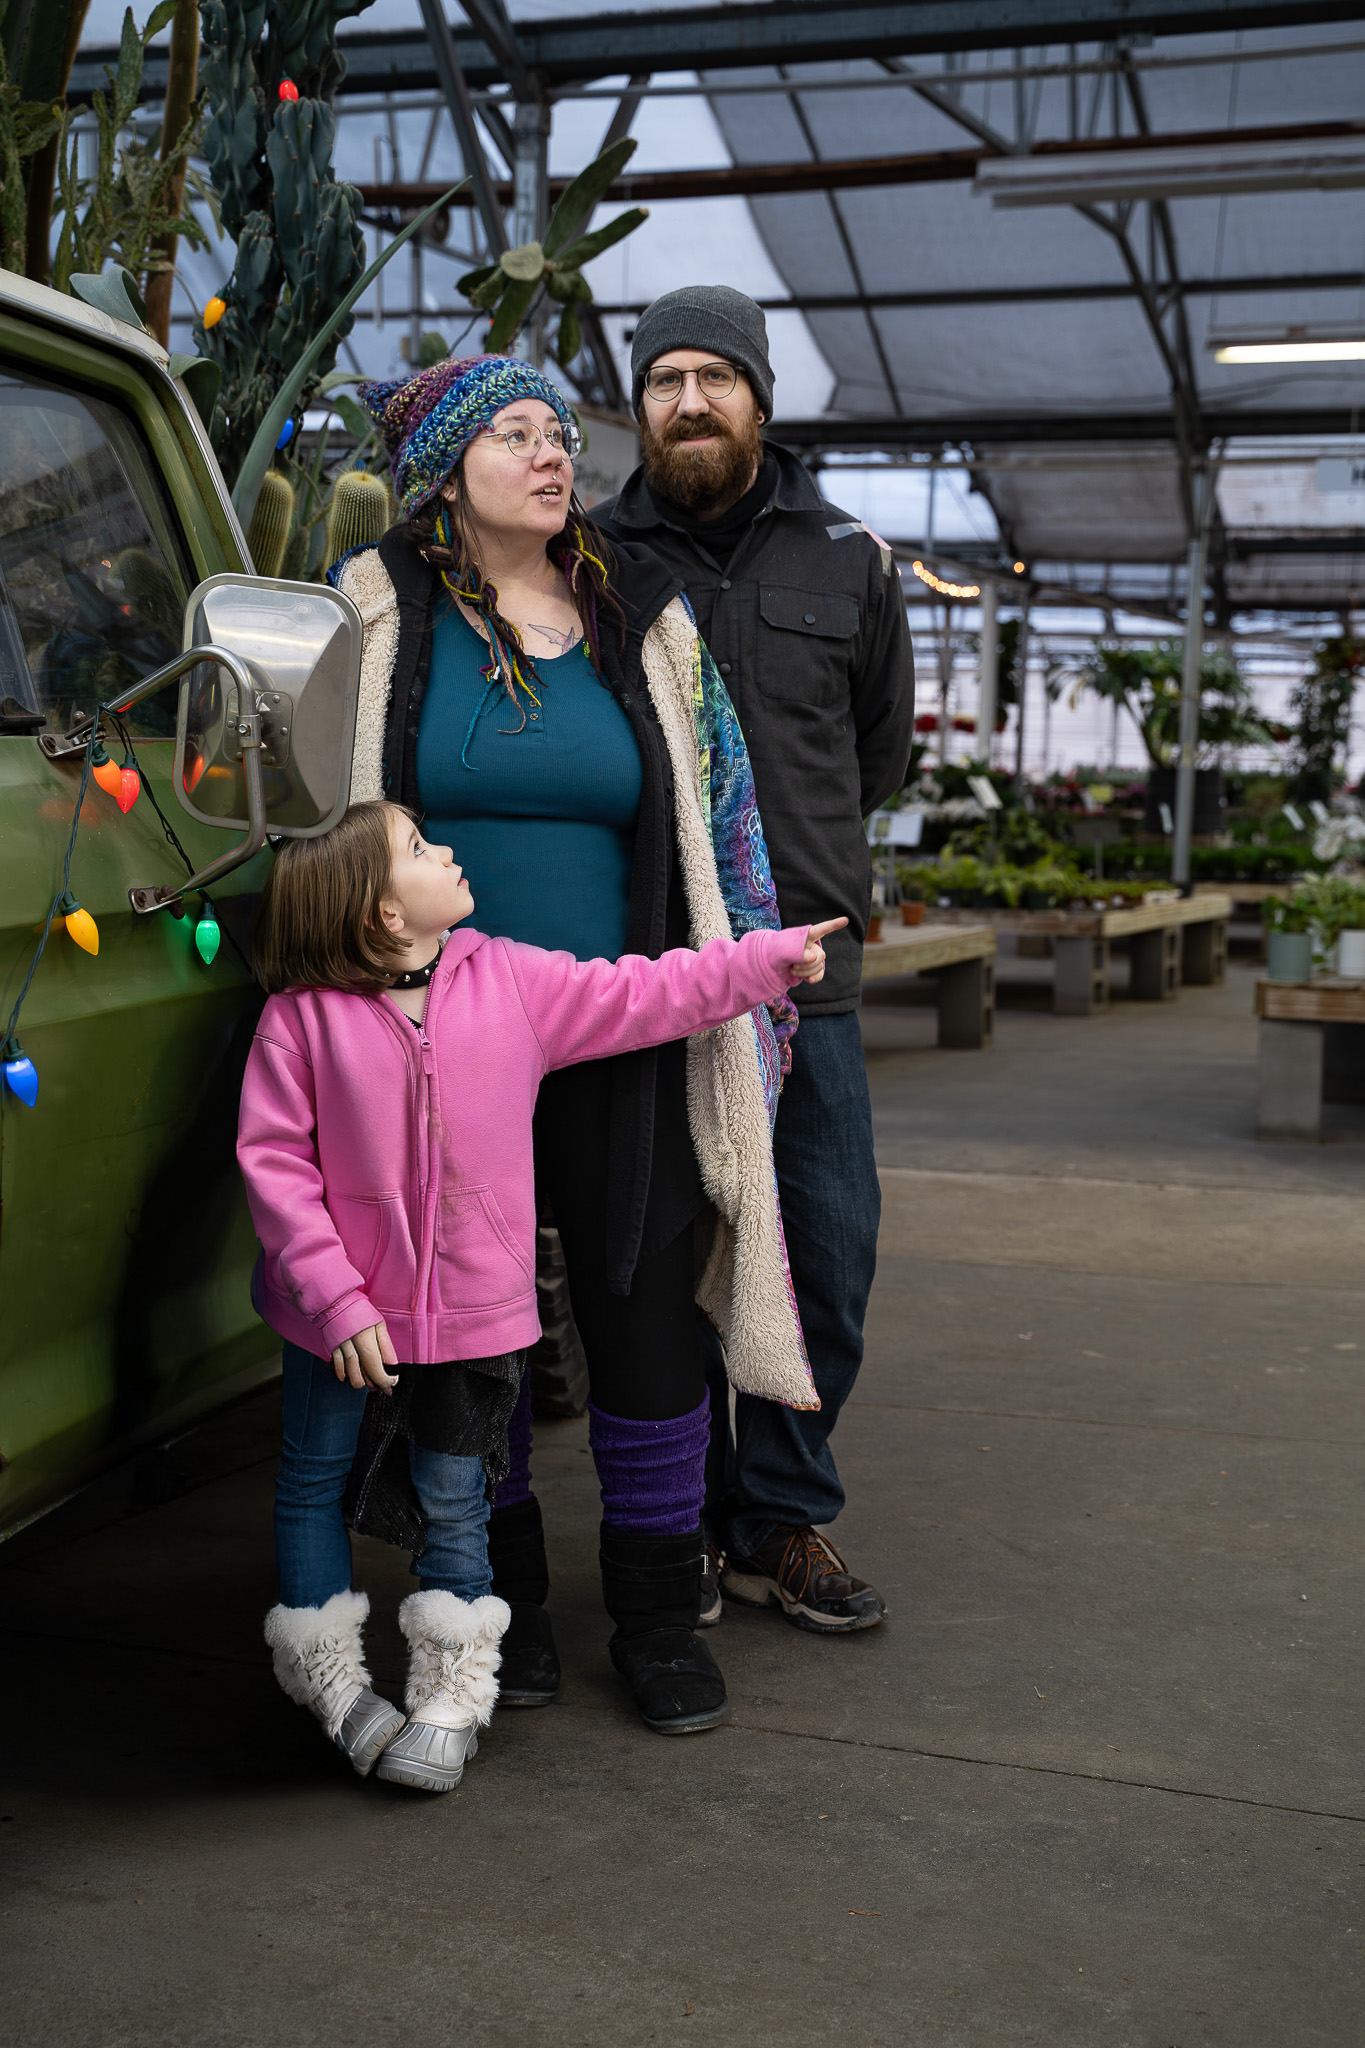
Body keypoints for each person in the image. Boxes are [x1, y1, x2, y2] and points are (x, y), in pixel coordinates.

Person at [327, 351, 823, 1734]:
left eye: (559, 434)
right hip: (437, 1045)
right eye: (517, 436)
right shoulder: (381, 613)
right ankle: (508, 1602)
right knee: (466, 1329)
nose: (554, 455)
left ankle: (660, 1613)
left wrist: (754, 993)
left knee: (646, 1316)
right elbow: (322, 815)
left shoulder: (640, 619)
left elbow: (723, 817)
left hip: (624, 1028)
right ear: (447, 469)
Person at [238, 798, 840, 1782]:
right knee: (312, 1483)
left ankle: (451, 1694)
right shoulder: (299, 1020)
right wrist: (336, 1299)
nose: (449, 852)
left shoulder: (507, 980)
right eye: (421, 850)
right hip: (333, 1319)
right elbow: (274, 1166)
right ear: (385, 913)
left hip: (471, 1316)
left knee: (456, 1500)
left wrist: (763, 961)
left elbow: (642, 993)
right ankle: (332, 1683)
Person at [594, 286, 917, 1634]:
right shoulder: (590, 555)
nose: (687, 401)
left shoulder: (848, 556)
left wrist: (818, 877)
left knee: (828, 1252)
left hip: (806, 982)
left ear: (760, 396)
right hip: (649, 976)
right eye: (662, 378)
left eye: (711, 377)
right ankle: (684, 1521)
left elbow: (877, 750)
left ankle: (774, 1519)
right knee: (665, 1263)